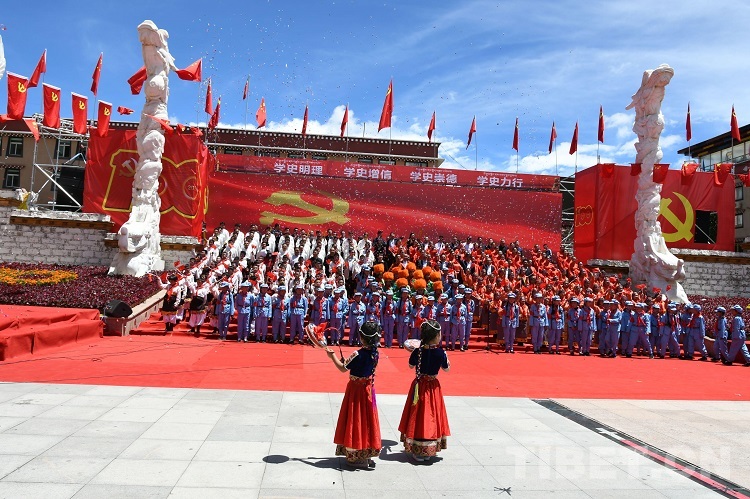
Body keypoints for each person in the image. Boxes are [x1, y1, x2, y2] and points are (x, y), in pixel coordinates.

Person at [326, 321, 382, 468]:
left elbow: (343, 368)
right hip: (368, 389)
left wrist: (332, 356)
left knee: (356, 418)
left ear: (361, 337)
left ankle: (356, 453)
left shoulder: (357, 354)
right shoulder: (375, 353)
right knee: (367, 420)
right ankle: (367, 451)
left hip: (356, 391)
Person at [398, 319, 451, 462]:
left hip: (419, 386)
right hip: (432, 387)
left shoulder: (418, 351)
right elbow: (447, 368)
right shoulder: (440, 353)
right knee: (430, 415)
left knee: (417, 414)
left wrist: (413, 351)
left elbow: (410, 365)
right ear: (436, 336)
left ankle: (416, 446)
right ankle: (428, 447)